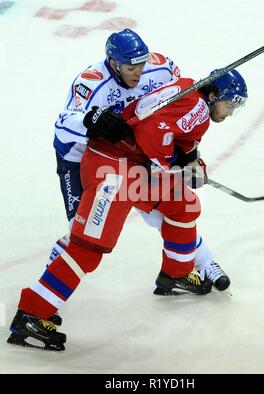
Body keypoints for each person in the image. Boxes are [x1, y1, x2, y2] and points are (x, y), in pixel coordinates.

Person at [7, 69, 248, 351]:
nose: (229, 113)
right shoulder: (197, 108)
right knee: (88, 248)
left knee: (183, 204)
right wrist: (177, 165)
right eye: (229, 105)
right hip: (112, 167)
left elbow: (179, 140)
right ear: (214, 96)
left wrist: (193, 165)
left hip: (135, 167)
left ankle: (176, 274)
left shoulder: (190, 94)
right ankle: (31, 315)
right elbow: (150, 134)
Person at [49, 28, 230, 307]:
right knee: (80, 232)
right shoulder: (91, 82)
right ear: (113, 63)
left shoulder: (159, 67)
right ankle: (48, 287)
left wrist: (188, 153)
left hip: (136, 154)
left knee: (169, 211)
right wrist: (91, 121)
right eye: (131, 66)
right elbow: (62, 123)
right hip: (84, 157)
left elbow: (176, 105)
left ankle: (200, 263)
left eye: (141, 64)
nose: (138, 71)